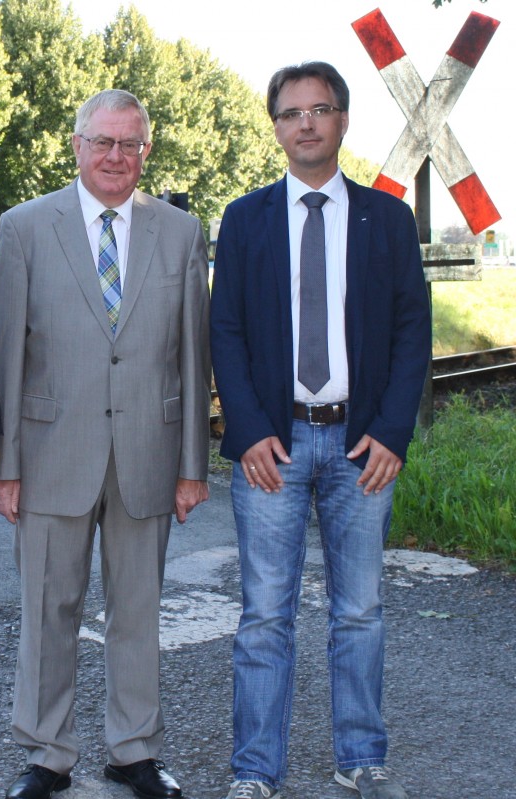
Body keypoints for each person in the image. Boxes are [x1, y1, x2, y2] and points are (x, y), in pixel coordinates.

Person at [210, 62, 431, 799]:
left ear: (342, 121)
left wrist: (394, 431)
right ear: (275, 126)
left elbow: (410, 332)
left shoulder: (387, 219)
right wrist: (245, 431)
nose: (306, 123)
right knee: (264, 615)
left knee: (360, 609)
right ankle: (254, 771)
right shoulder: (244, 220)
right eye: (291, 112)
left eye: (321, 109)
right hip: (271, 445)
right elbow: (227, 331)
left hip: (361, 445)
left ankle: (362, 758)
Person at [0, 89, 211, 799]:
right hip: (52, 452)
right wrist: (7, 462)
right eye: (103, 142)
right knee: (48, 608)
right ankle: (47, 753)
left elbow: (193, 354)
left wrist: (192, 464)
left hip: (150, 448)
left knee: (138, 609)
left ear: (146, 150)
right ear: (77, 144)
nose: (117, 156)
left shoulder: (180, 232)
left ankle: (133, 751)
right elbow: (6, 354)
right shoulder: (24, 227)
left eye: (131, 144)